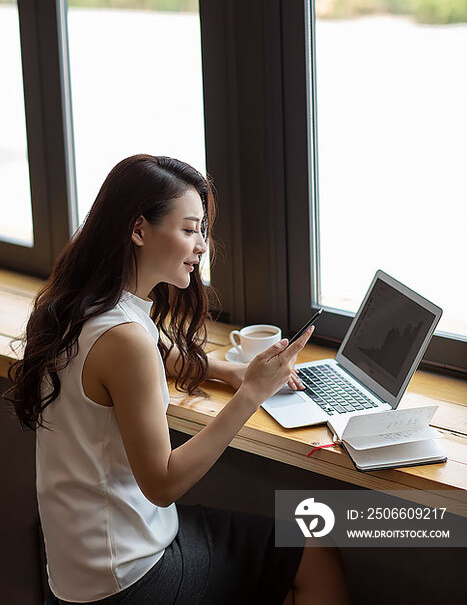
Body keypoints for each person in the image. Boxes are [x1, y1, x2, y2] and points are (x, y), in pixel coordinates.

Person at [4, 155, 349, 604]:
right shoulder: (125, 340)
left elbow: (156, 351)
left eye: (202, 230)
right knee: (312, 550)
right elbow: (163, 485)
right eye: (189, 229)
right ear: (139, 230)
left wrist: (226, 369)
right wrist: (251, 393)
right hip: (127, 580)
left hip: (76, 569)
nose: (202, 246)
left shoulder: (76, 306)